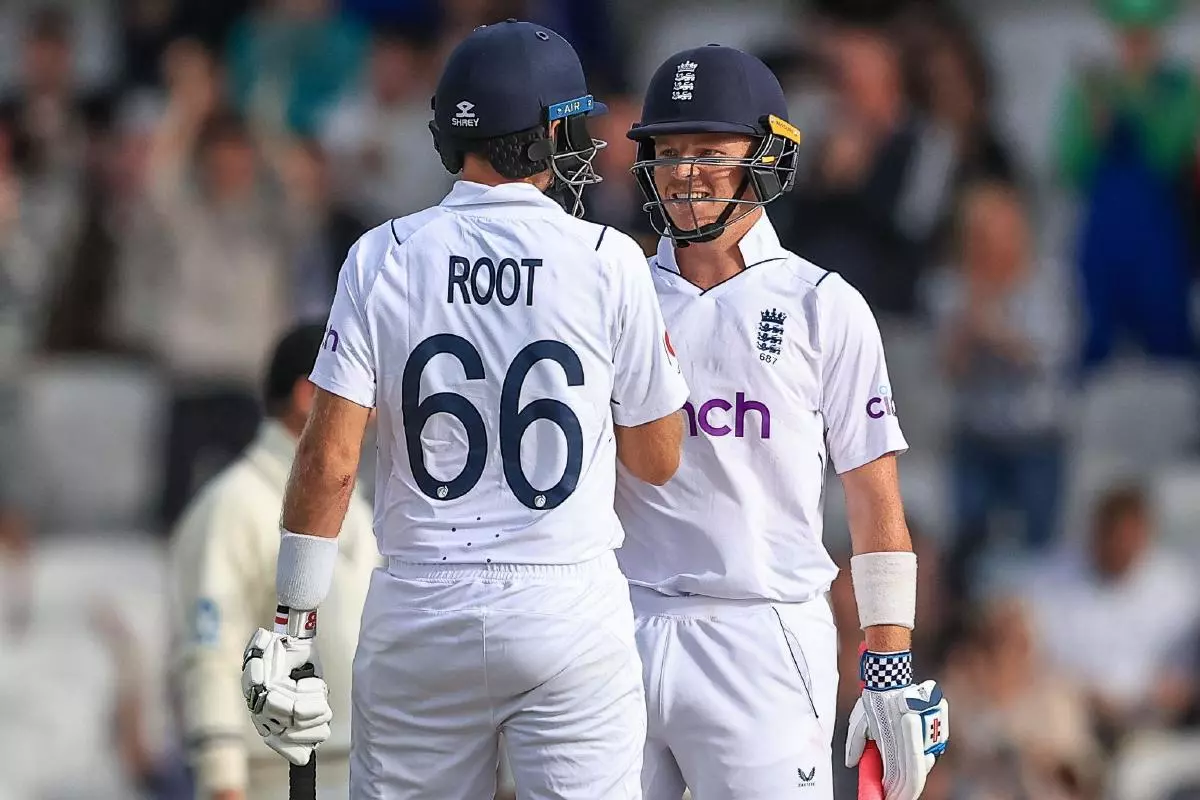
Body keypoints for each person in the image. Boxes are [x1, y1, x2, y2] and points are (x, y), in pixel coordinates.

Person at [238, 20, 690, 800]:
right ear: (549, 133)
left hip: (420, 604)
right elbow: (658, 460)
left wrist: (292, 623)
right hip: (566, 603)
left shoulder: (383, 253)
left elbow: (332, 460)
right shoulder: (609, 260)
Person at [614, 44, 949, 800]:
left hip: (759, 638)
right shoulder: (617, 291)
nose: (683, 172)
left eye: (708, 150)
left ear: (766, 157)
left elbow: (873, 500)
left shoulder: (822, 304)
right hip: (619, 623)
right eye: (668, 151)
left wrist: (888, 668)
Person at [168, 322, 379, 800]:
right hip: (271, 779)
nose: (375, 407)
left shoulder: (360, 510)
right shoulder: (233, 504)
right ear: (309, 396)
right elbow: (209, 652)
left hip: (363, 772)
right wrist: (222, 779)